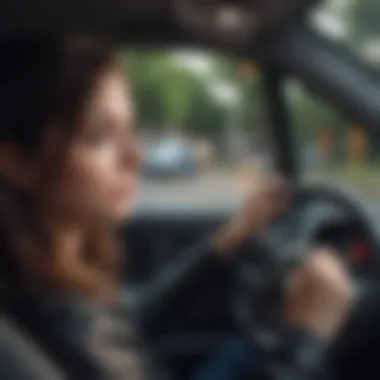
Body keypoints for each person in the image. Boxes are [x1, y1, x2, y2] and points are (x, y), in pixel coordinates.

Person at [0, 34, 352, 380]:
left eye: (129, 130)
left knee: (240, 352)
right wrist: (303, 342)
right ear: (17, 162)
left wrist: (226, 243)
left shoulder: (52, 286)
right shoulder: (63, 322)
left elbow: (132, 329)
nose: (134, 157)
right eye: (99, 136)